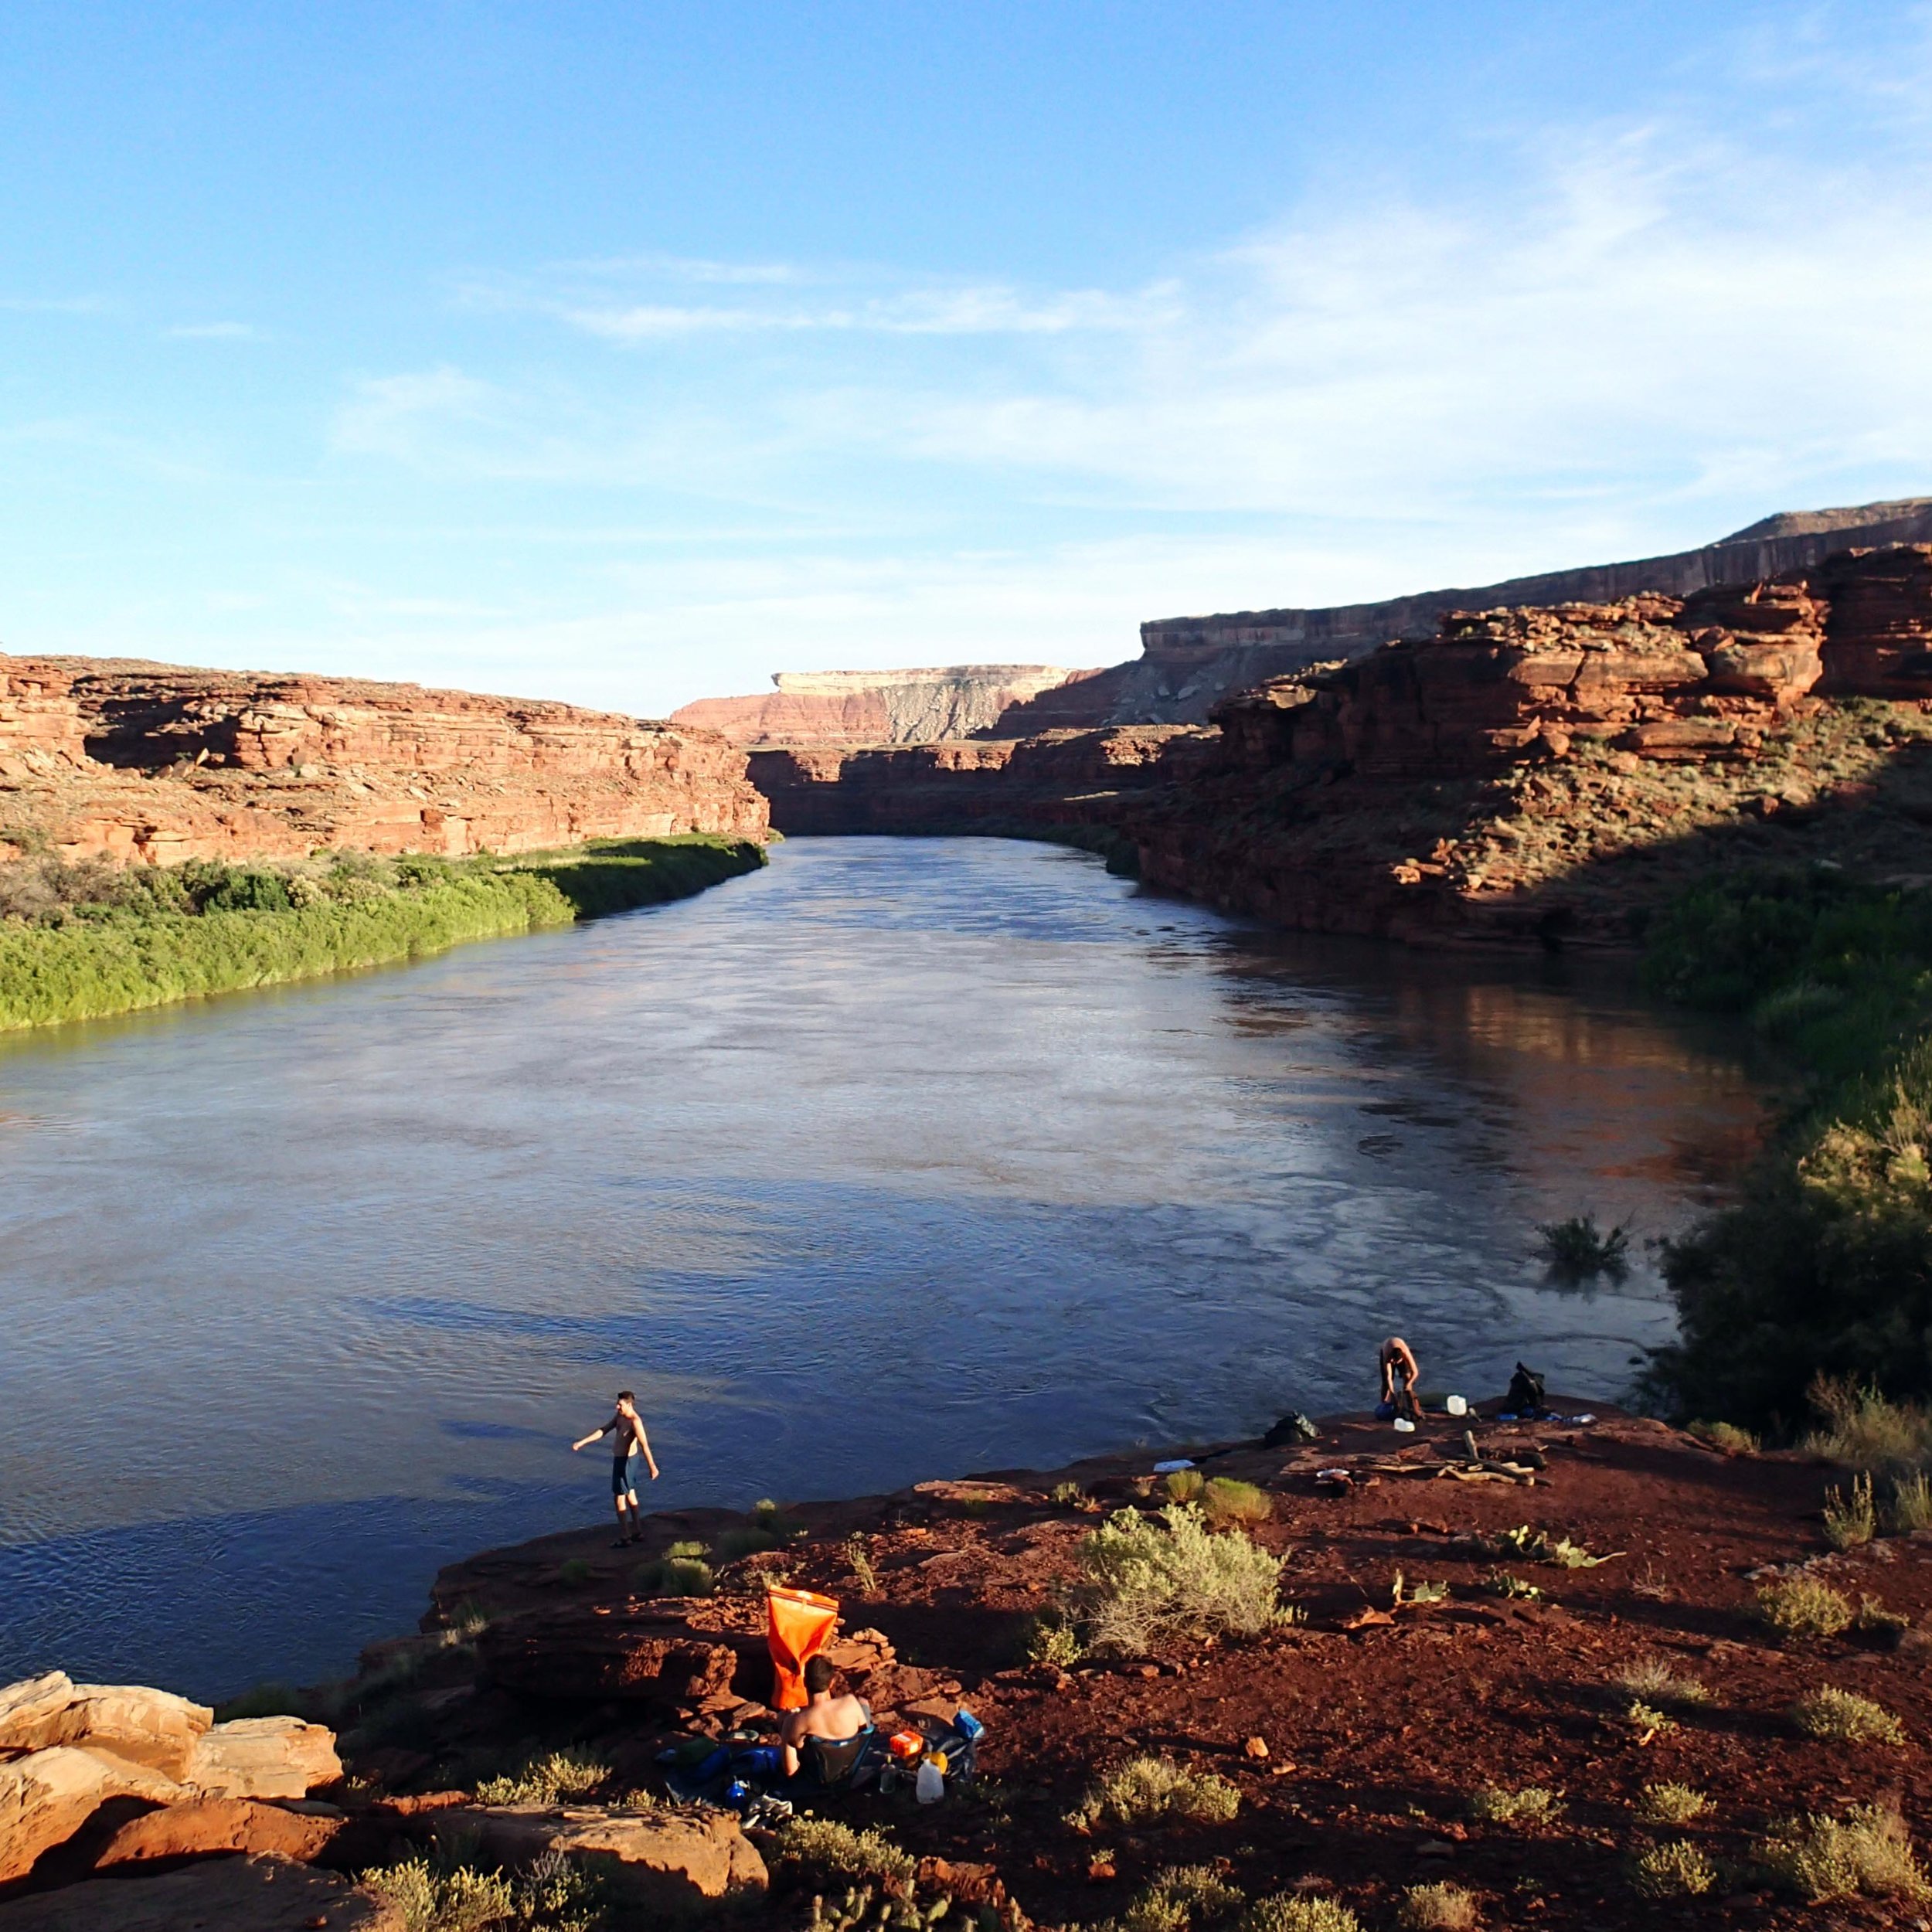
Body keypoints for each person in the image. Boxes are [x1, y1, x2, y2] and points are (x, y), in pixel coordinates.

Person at [571, 1390, 660, 1546]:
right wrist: (582, 1442)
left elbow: (644, 1445)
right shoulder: (620, 1417)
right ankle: (638, 1532)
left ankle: (625, 1537)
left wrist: (652, 1467)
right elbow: (604, 1430)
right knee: (631, 1495)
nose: (617, 1407)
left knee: (619, 1498)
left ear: (629, 1404)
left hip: (627, 1462)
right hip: (620, 1460)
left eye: (620, 1405)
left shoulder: (634, 1421)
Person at [778, 1654, 872, 1779]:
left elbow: (791, 1771)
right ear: (831, 1682)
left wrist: (786, 1728)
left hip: (820, 1777)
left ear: (805, 1682)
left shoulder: (794, 1721)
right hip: (851, 1770)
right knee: (863, 1703)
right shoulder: (850, 1702)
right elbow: (864, 1734)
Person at [1378, 1337, 1422, 1426]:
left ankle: (1408, 1405)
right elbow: (1389, 1377)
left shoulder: (1406, 1353)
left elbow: (1415, 1372)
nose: (1394, 1363)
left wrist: (1409, 1384)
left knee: (1408, 1377)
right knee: (1386, 1384)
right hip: (1387, 1348)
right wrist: (1392, 1393)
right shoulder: (1388, 1357)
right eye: (1393, 1361)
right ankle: (1384, 1406)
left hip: (1400, 1348)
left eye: (1395, 1362)